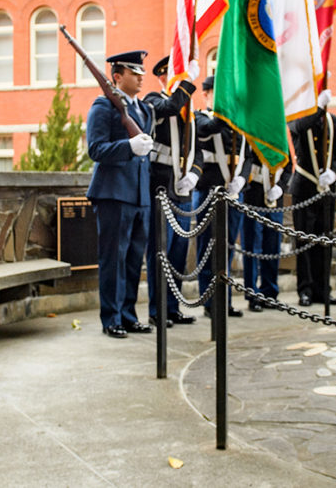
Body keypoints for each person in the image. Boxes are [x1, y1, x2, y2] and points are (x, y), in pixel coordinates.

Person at [86, 50, 155, 338]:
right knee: (113, 259)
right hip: (114, 194)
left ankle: (128, 315)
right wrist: (129, 147)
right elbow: (96, 149)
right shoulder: (104, 106)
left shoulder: (144, 110)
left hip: (140, 196)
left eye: (141, 72)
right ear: (117, 76)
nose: (141, 77)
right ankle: (111, 318)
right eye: (134, 72)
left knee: (132, 260)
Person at [143, 55, 201, 327]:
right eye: (171, 75)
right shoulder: (153, 101)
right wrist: (187, 84)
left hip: (183, 190)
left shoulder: (189, 112)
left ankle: (173, 307)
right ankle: (157, 309)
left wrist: (193, 175)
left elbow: (197, 152)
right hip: (162, 185)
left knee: (178, 252)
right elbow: (170, 106)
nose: (173, 80)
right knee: (160, 250)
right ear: (162, 78)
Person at [194, 75, 250, 317]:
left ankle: (224, 301)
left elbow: (247, 153)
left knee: (227, 248)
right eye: (218, 93)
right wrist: (228, 112)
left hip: (232, 191)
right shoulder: (200, 117)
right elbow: (208, 128)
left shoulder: (237, 122)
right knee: (207, 249)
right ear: (206, 94)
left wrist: (242, 178)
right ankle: (209, 302)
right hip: (209, 191)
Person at [288, 89, 336, 307]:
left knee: (325, 240)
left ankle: (323, 289)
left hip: (326, 189)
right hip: (304, 187)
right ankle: (305, 289)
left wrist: (334, 172)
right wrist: (318, 109)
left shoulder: (332, 121)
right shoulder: (297, 115)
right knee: (304, 240)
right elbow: (298, 128)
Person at [241, 153, 290, 311]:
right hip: (254, 191)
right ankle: (252, 294)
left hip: (275, 195)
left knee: (272, 246)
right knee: (252, 247)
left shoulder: (278, 131)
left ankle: (270, 293)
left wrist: (281, 187)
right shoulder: (253, 130)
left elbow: (287, 165)